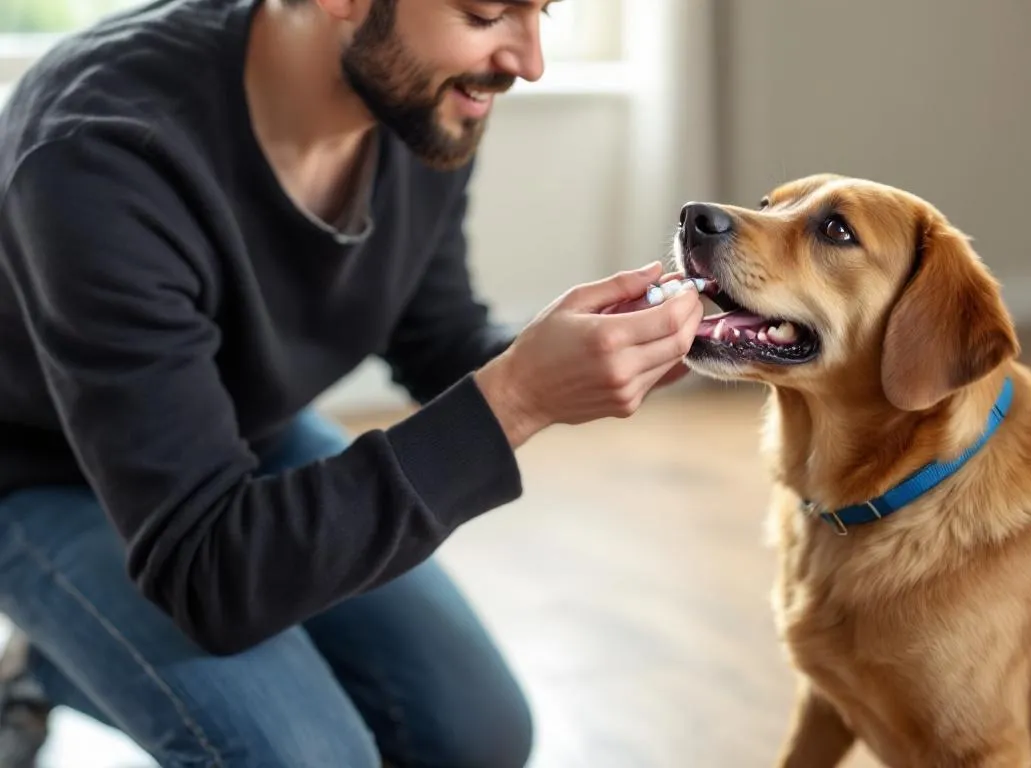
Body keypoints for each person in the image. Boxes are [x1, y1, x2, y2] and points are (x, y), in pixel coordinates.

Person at [0, 0, 705, 765]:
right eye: (487, 12)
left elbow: (436, 335)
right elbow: (208, 570)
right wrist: (519, 395)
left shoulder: (422, 99)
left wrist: (577, 349)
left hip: (243, 430)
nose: (528, 62)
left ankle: (64, 663)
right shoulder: (99, 156)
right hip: (40, 470)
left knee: (478, 738)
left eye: (543, 11)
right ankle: (64, 655)